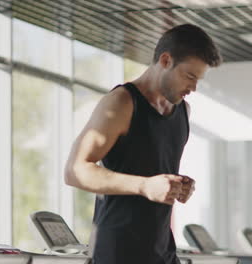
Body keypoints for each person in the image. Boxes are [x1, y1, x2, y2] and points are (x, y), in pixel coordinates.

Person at [64, 24, 222, 264]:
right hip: (118, 251)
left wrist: (178, 186)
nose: (193, 87)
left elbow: (152, 166)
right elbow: (74, 171)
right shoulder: (121, 103)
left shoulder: (182, 111)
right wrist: (144, 186)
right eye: (189, 76)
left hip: (162, 249)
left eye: (198, 79)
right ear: (166, 60)